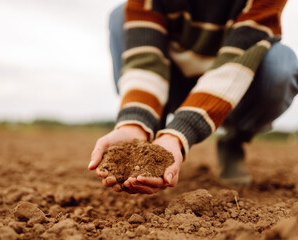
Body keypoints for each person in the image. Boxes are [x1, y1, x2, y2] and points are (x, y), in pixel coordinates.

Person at [88, 0, 298, 194]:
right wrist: (134, 124)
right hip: (172, 78)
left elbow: (234, 66)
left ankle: (235, 137)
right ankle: (149, 129)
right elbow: (144, 61)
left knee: (281, 65)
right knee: (120, 17)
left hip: (234, 80)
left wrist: (177, 135)